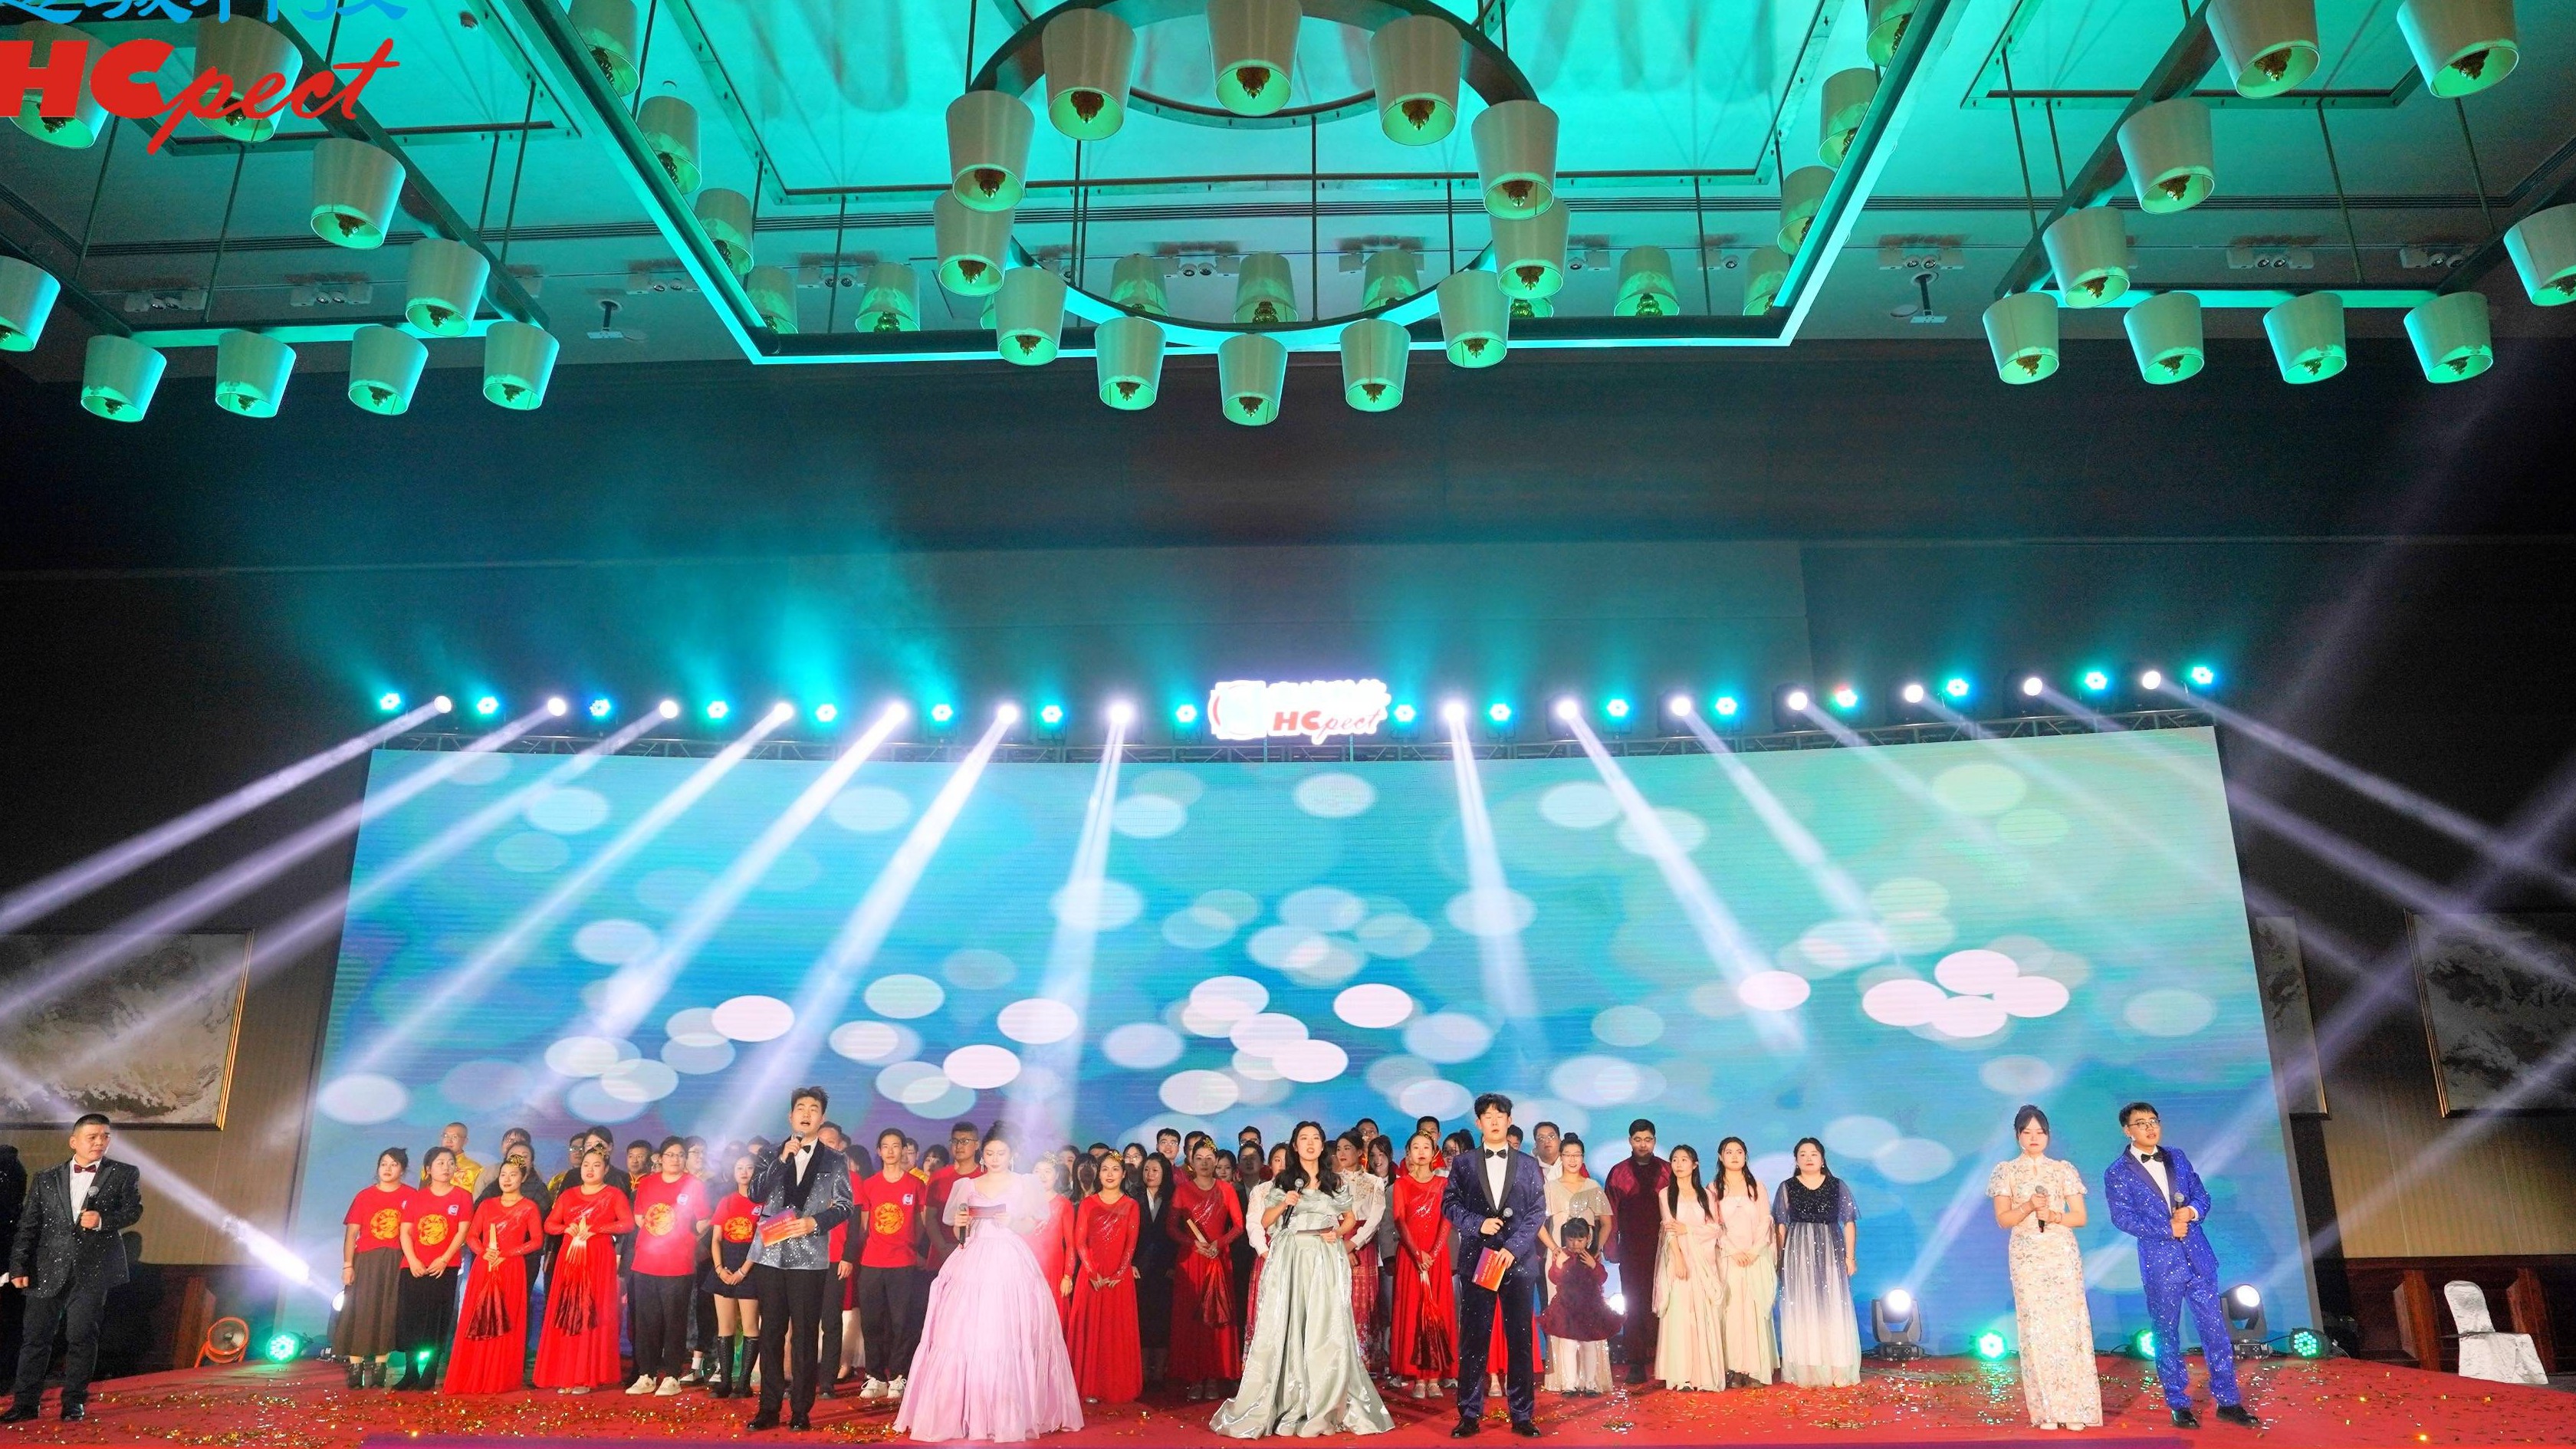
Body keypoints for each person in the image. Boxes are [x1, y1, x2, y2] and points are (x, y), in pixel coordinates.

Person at [895, 1129, 1084, 1442]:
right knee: (965, 1333)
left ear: (1012, 1155)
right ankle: (965, 1411)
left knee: (1009, 1333)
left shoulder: (1025, 1184)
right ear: (983, 1154)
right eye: (991, 1153)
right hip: (973, 1257)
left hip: (1010, 1256)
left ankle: (1009, 1411)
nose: (995, 1159)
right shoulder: (967, 1185)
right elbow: (960, 1231)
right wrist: (961, 1225)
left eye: (1002, 1154)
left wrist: (1012, 1223)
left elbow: (1030, 1224)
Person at [1211, 1122, 1392, 1438]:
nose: (1310, 1143)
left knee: (1324, 1325)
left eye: (1316, 1138)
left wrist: (1337, 1233)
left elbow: (1349, 1218)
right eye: (1303, 1139)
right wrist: (1284, 1203)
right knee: (1291, 1323)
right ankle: (1289, 1397)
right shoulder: (1282, 1181)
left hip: (1324, 1256)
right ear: (1295, 1146)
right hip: (1291, 1255)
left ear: (1322, 1145)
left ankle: (1324, 1398)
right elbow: (1266, 1221)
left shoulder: (1335, 1180)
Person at [2104, 1102, 2259, 1431]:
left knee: (2216, 1332)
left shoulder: (2177, 1156)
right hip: (2161, 1264)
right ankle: (2178, 1404)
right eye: (2141, 1123)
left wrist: (2191, 1212)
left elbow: (2202, 1196)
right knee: (2166, 1334)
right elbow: (2122, 1217)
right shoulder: (2117, 1172)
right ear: (2127, 1131)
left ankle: (2229, 1401)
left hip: (2198, 1258)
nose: (2150, 1128)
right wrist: (2166, 1229)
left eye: (2154, 1121)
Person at [3, 1115, 140, 1424]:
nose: (100, 1142)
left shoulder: (123, 1173)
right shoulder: (46, 1178)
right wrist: (18, 1266)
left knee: (82, 1337)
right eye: (93, 1137)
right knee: (35, 1338)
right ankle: (25, 1403)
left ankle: (74, 1402)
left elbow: (133, 1210)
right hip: (45, 1267)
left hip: (93, 1268)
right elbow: (29, 1225)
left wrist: (103, 1220)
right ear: (74, 1142)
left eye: (105, 1136)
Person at [744, 1086, 854, 1431]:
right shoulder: (770, 1153)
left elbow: (845, 1206)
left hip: (809, 1258)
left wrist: (815, 1223)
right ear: (790, 1116)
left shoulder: (835, 1160)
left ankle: (801, 1410)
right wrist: (781, 1160)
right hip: (770, 1255)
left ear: (822, 1118)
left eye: (813, 1109)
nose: (806, 1114)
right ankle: (768, 1408)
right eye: (801, 1108)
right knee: (771, 1332)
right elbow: (755, 1193)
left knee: (805, 1335)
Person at [1989, 1106, 2101, 1431]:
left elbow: (2080, 1217)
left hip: (2061, 1252)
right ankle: (2047, 1410)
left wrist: (2053, 1215)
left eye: (2040, 1132)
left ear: (2048, 1135)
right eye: (2027, 1132)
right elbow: (2003, 1219)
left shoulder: (2062, 1169)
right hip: (2027, 1254)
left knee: (2069, 1325)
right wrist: (2028, 1206)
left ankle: (2075, 1407)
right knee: (2036, 1327)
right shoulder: (2006, 1171)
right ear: (2017, 1136)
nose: (2034, 1138)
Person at [1444, 1092, 1544, 1438]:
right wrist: (1478, 1224)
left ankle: (1522, 1414)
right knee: (1473, 1339)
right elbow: (1450, 1204)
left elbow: (1537, 1211)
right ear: (1479, 1123)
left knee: (1520, 1340)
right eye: (1488, 1116)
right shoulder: (1464, 1164)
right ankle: (1469, 1414)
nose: (1495, 1120)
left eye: (1500, 1115)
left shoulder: (1528, 1164)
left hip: (1517, 1263)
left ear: (1510, 1120)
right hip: (1478, 1261)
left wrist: (1513, 1248)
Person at [535, 1146, 632, 1393]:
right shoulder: (568, 1195)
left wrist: (598, 1229)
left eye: (597, 1165)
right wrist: (565, 1229)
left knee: (591, 1311)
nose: (590, 1169)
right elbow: (549, 1224)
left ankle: (586, 1374)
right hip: (569, 1259)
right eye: (586, 1164)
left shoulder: (613, 1195)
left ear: (606, 1169)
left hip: (598, 1258)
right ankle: (566, 1374)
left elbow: (627, 1224)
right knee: (569, 1312)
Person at [444, 1157, 545, 1395]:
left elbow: (537, 1241)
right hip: (485, 1266)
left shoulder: (529, 1207)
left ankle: (498, 1376)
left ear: (523, 1178)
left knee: (504, 1320)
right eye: (503, 1174)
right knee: (479, 1320)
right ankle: (474, 1373)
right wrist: (483, 1252)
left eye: (513, 1175)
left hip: (511, 1269)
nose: (507, 1179)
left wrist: (509, 1253)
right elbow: (472, 1236)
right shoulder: (487, 1205)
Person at [1771, 1138, 1860, 1388]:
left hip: (1831, 1247)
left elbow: (1849, 1222)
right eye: (1803, 1154)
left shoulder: (1837, 1185)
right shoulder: (1787, 1187)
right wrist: (1780, 1258)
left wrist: (1850, 1257)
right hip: (1798, 1250)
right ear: (1796, 1160)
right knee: (1802, 1308)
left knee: (1833, 1306)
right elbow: (1780, 1225)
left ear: (1822, 1159)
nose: (1808, 1158)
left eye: (1813, 1154)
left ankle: (1837, 1367)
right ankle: (1807, 1369)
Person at [629, 1135, 710, 1397]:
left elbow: (704, 1220)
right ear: (660, 1158)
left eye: (681, 1155)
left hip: (678, 1264)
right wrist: (659, 1231)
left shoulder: (693, 1184)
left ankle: (673, 1375)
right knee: (646, 1320)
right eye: (670, 1155)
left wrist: (687, 1237)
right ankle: (647, 1374)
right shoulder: (648, 1183)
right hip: (646, 1261)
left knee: (675, 1320)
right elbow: (640, 1218)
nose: (676, 1159)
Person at [856, 1126, 932, 1402]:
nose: (890, 1151)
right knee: (872, 1321)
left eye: (896, 1146)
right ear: (878, 1151)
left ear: (904, 1150)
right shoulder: (870, 1185)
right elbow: (864, 1226)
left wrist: (911, 1247)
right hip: (872, 1262)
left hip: (903, 1262)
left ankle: (899, 1375)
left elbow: (922, 1224)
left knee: (902, 1322)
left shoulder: (915, 1185)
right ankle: (875, 1376)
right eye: (885, 1146)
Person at [1168, 1141, 1245, 1401]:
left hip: (1217, 1260)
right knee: (1192, 1320)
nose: (1204, 1162)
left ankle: (1213, 1376)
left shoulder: (1226, 1189)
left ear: (1216, 1161)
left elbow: (1238, 1226)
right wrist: (1193, 1244)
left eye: (1209, 1158)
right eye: (1199, 1157)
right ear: (1191, 1161)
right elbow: (1172, 1228)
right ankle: (1195, 1377)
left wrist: (1218, 1244)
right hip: (1191, 1261)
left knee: (1215, 1319)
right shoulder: (1182, 1191)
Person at [1068, 1153, 1142, 1405]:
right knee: (1092, 1332)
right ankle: (1090, 1385)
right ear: (1098, 1174)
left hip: (1118, 1279)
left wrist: (1120, 1273)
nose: (1110, 1174)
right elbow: (1080, 1242)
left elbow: (1131, 1245)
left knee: (1115, 1333)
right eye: (1105, 1169)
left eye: (1115, 1169)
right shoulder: (1088, 1204)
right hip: (1092, 1277)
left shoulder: (1131, 1205)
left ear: (1124, 1174)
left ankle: (1115, 1384)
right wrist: (1091, 1272)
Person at [336, 1147, 414, 1388]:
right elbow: (351, 1235)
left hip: (396, 1260)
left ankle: (381, 1365)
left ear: (402, 1170)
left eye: (394, 1164)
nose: (387, 1169)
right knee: (359, 1309)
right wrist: (348, 1265)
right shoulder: (365, 1196)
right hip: (366, 1260)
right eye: (383, 1164)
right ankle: (356, 1366)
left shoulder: (411, 1195)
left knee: (388, 1310)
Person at [396, 1146, 473, 1390]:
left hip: (445, 1267)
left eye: (451, 1163)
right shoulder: (416, 1197)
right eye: (440, 1163)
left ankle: (430, 1371)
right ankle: (410, 1372)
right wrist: (413, 1260)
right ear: (428, 1169)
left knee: (438, 1319)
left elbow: (462, 1231)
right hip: (414, 1267)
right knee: (412, 1318)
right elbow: (405, 1232)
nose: (446, 1167)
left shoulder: (462, 1196)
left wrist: (444, 1259)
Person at [1539, 1135, 1612, 1395]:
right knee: (1563, 1319)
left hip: (1587, 1261)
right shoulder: (1550, 1187)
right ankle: (1564, 1380)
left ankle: (1591, 1380)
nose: (1572, 1160)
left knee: (1590, 1319)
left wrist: (1596, 1250)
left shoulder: (1593, 1186)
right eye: (1567, 1155)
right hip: (1561, 1260)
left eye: (1577, 1155)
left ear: (1583, 1157)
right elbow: (1538, 1224)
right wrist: (1554, 1249)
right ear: (1561, 1157)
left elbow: (1607, 1223)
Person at [1599, 1119, 1669, 1386]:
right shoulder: (1619, 1173)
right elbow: (1610, 1214)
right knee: (1635, 1303)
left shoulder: (1667, 1170)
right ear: (1630, 1141)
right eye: (1638, 1139)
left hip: (1665, 1248)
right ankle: (1637, 1362)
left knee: (1664, 1301)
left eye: (1648, 1139)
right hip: (1631, 1249)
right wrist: (1611, 1247)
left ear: (1655, 1141)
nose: (1643, 1144)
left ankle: (1665, 1361)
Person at [1651, 1145, 1726, 1392]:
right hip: (1679, 1259)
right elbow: (1669, 1229)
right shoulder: (1666, 1194)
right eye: (1675, 1160)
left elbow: (1715, 1228)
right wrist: (1679, 1259)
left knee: (1702, 1315)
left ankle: (1702, 1375)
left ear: (1695, 1165)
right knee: (1681, 1316)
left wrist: (1689, 1230)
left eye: (1684, 1160)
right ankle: (1681, 1375)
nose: (1679, 1164)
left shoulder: (1707, 1195)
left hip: (1703, 1260)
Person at [1710, 1137, 1776, 1386]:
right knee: (1731, 1311)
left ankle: (1754, 1369)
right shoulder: (1713, 1189)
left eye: (1739, 1152)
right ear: (1720, 1156)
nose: (1735, 1156)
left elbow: (1765, 1221)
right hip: (1728, 1258)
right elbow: (1713, 1225)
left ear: (1746, 1156)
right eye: (1729, 1152)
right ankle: (1734, 1369)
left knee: (1753, 1311)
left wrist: (1754, 1251)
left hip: (1755, 1257)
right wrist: (1732, 1250)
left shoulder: (1756, 1187)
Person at [705, 1153, 762, 1399]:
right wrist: (720, 1269)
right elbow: (716, 1239)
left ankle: (744, 1384)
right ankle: (726, 1382)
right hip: (724, 1268)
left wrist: (743, 1271)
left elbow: (762, 1241)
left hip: (751, 1269)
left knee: (750, 1327)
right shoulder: (726, 1201)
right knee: (725, 1327)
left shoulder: (765, 1203)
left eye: (750, 1167)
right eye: (740, 1167)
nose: (745, 1172)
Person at [1536, 1221, 1615, 1397]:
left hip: (1588, 1309)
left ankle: (1590, 1384)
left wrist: (1593, 1265)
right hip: (1567, 1309)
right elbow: (1554, 1278)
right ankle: (1569, 1385)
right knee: (1568, 1345)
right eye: (1571, 1240)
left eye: (1580, 1240)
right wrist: (1558, 1265)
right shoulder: (1563, 1256)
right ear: (1565, 1239)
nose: (1575, 1244)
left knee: (1589, 1345)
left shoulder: (1591, 1256)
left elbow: (1602, 1278)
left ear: (1588, 1239)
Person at [1334, 1133, 1385, 1375]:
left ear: (1359, 1151)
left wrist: (1353, 1244)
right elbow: (1327, 1215)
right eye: (1339, 1149)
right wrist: (1341, 1245)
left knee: (1363, 1302)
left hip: (1363, 1247)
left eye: (1348, 1148)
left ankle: (1364, 1361)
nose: (1342, 1153)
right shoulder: (1330, 1181)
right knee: (1338, 1301)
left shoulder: (1374, 1182)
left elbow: (1375, 1218)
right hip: (1335, 1245)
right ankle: (1339, 1361)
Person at [1132, 1152, 1176, 1390]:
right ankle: (1141, 1372)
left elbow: (1178, 1235)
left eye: (1155, 1170)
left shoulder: (1173, 1198)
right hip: (1139, 1269)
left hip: (1165, 1269)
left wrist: (1173, 1265)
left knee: (1162, 1320)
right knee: (1141, 1320)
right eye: (1147, 1169)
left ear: (1164, 1173)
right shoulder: (1134, 1198)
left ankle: (1159, 1373)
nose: (1150, 1174)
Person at [1024, 1157, 1077, 1332]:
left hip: (1053, 1271)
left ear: (1056, 1176)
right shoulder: (1023, 1203)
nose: (1042, 1176)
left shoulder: (1063, 1204)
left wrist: (1067, 1276)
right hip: (1026, 1268)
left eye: (1047, 1171)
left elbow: (1071, 1244)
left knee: (1051, 1322)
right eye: (1037, 1171)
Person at [928, 1122, 983, 1270]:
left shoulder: (985, 1177)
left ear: (977, 1145)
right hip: (941, 1254)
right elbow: (930, 1218)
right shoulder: (938, 1177)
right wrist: (943, 1248)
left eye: (965, 1141)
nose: (959, 1146)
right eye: (955, 1141)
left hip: (975, 1257)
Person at [422, 1124, 485, 1196]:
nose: (449, 1141)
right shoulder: (432, 1163)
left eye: (455, 1137)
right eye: (445, 1136)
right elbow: (421, 1193)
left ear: (465, 1141)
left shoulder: (475, 1169)